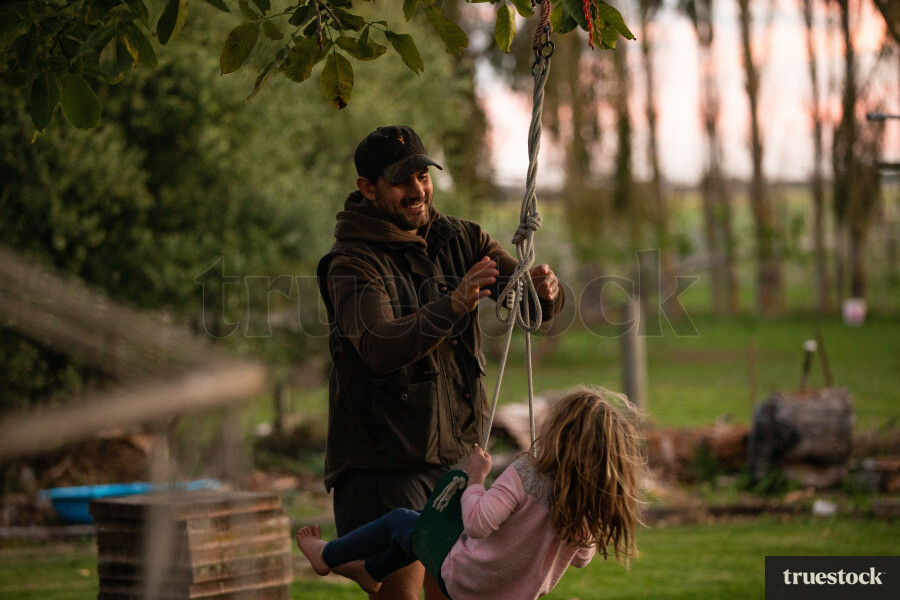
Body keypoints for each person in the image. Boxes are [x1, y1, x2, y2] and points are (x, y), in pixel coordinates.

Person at [316, 125, 566, 599]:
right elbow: (378, 345)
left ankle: (345, 559)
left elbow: (526, 302)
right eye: (400, 181)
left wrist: (545, 292)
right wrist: (452, 305)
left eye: (422, 175)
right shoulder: (350, 263)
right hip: (385, 464)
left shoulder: (463, 238)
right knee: (402, 596)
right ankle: (349, 560)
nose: (417, 190)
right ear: (366, 189)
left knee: (454, 592)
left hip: (453, 459)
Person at [296, 386, 645, 600]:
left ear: (559, 434)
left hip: (468, 581)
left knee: (401, 522)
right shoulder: (583, 510)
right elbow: (581, 558)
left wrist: (476, 478)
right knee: (414, 533)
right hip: (509, 595)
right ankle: (372, 569)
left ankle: (326, 555)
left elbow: (478, 523)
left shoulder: (527, 473)